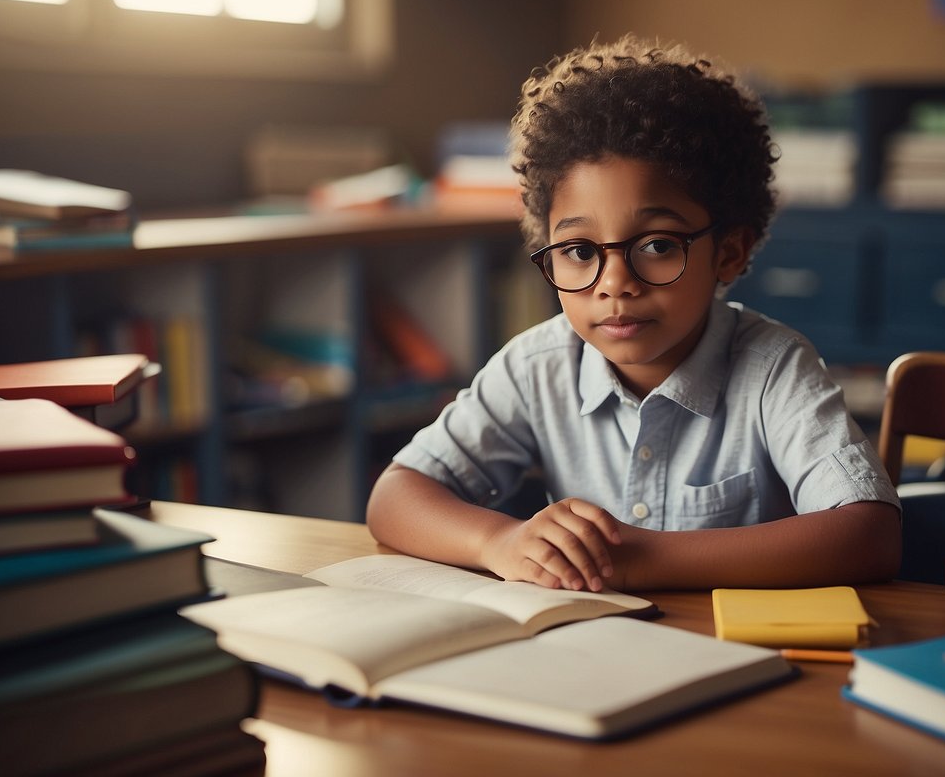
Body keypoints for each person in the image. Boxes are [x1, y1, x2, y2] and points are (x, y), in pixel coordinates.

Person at [366, 35, 901, 592]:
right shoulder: (536, 368)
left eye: (658, 245)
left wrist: (643, 560)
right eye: (579, 252)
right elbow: (396, 495)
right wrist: (496, 541)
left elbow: (869, 534)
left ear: (729, 252)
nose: (615, 284)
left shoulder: (772, 369)